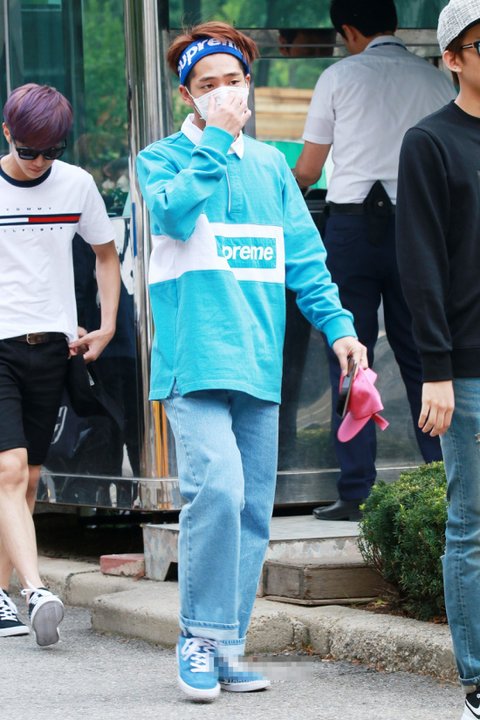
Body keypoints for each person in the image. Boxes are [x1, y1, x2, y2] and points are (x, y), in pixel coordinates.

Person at [136, 21, 367, 703]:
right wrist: (213, 142)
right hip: (193, 362)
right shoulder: (161, 159)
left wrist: (341, 330)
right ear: (187, 95)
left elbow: (306, 260)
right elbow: (173, 218)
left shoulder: (271, 168)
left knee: (251, 510)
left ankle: (226, 645)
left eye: (233, 81)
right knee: (217, 490)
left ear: (250, 83)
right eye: (208, 85)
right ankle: (198, 638)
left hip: (259, 364)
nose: (224, 93)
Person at [294, 0, 454, 521]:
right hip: (418, 228)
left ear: (347, 30)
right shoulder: (435, 80)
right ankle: (441, 483)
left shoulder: (338, 77)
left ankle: (356, 491)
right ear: (394, 23)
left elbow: (308, 169)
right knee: (424, 354)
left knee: (349, 354)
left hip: (351, 230)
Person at [0, 83, 120, 644]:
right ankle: (36, 589)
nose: (40, 162)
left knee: (27, 481)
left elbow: (105, 255)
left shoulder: (76, 184)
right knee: (8, 470)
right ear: (7, 133)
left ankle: (1, 594)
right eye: (29, 150)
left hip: (52, 347)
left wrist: (107, 324)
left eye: (52, 151)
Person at [396, 2, 480, 717]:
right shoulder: (430, 143)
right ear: (452, 58)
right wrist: (438, 370)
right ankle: (478, 679)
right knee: (472, 524)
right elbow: (420, 264)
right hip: (470, 368)